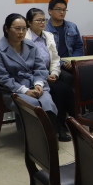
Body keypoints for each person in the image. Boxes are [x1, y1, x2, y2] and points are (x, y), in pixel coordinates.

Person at [0, 13, 58, 134]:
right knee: (33, 106)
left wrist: (38, 83)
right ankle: (35, 139)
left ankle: (50, 137)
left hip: (35, 84)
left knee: (47, 103)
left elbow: (40, 68)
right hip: (13, 90)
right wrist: (25, 90)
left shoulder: (30, 44)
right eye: (17, 28)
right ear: (6, 29)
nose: (21, 32)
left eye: (24, 29)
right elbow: (3, 77)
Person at [25, 8, 74, 142]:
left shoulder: (48, 35)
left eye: (44, 20)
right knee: (58, 90)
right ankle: (58, 127)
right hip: (35, 76)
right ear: (29, 22)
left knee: (68, 81)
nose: (42, 22)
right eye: (38, 20)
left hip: (50, 72)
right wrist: (44, 76)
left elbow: (55, 59)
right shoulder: (24, 38)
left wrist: (54, 73)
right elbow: (27, 64)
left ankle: (71, 121)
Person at [44, 0, 84, 72]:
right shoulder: (44, 29)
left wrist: (72, 61)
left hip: (72, 63)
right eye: (58, 9)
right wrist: (62, 63)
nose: (62, 12)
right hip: (52, 65)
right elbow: (44, 53)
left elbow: (79, 47)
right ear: (50, 11)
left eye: (64, 10)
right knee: (68, 77)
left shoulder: (72, 26)